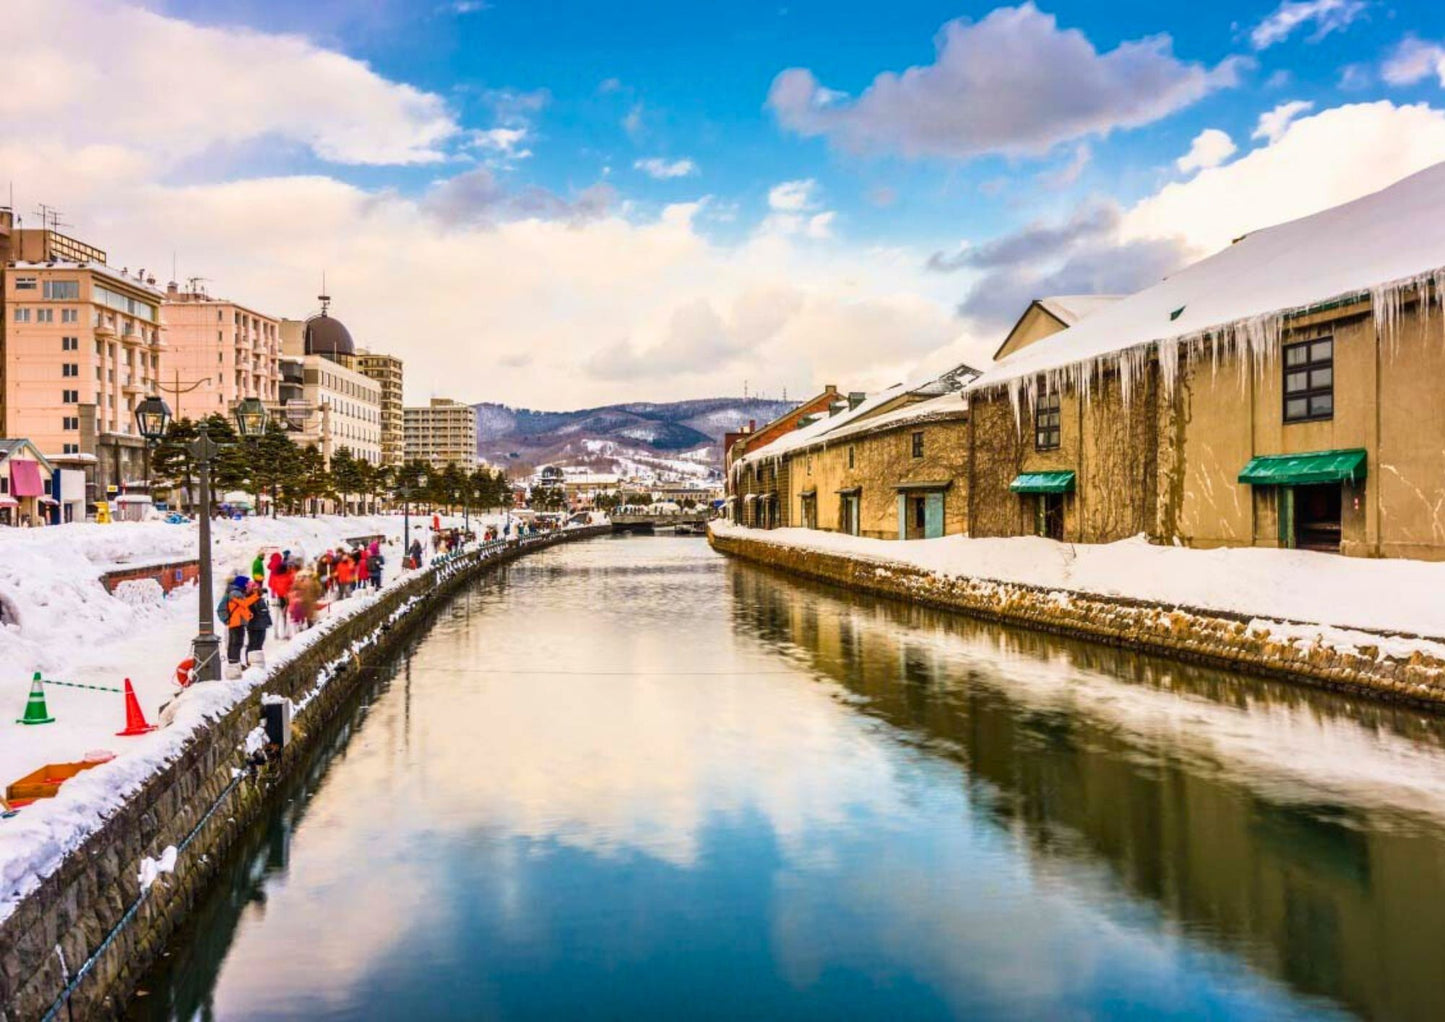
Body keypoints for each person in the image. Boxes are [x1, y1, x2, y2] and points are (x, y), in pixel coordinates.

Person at [217, 575, 260, 666]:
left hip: (237, 621)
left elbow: (240, 608)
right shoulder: (235, 593)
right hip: (236, 622)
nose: (247, 586)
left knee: (234, 644)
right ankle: (235, 664)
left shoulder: (235, 592)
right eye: (246, 584)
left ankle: (235, 663)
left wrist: (248, 615)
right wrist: (257, 595)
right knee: (236, 644)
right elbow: (244, 603)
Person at [268, 558, 296, 638]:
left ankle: (276, 633)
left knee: (276, 616)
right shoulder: (288, 578)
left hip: (275, 598)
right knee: (286, 615)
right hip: (286, 598)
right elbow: (292, 587)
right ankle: (286, 633)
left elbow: (271, 586)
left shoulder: (275, 577)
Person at [245, 580, 271, 659]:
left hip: (262, 624)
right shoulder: (248, 598)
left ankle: (257, 661)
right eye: (253, 588)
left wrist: (268, 621)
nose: (255, 590)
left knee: (260, 643)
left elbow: (265, 610)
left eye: (257, 588)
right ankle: (250, 661)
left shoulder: (260, 598)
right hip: (253, 625)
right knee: (253, 644)